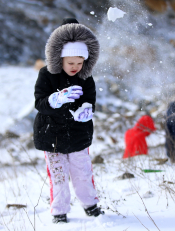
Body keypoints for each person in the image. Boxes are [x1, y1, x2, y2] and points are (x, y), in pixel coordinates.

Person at [33, 18, 103, 224]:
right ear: (59, 58)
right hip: (51, 136)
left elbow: (91, 100)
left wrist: (86, 110)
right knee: (59, 176)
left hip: (78, 135)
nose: (75, 67)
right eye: (70, 63)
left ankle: (90, 205)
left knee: (83, 173)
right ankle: (59, 211)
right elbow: (39, 103)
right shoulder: (46, 75)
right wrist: (56, 99)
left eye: (80, 63)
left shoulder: (86, 77)